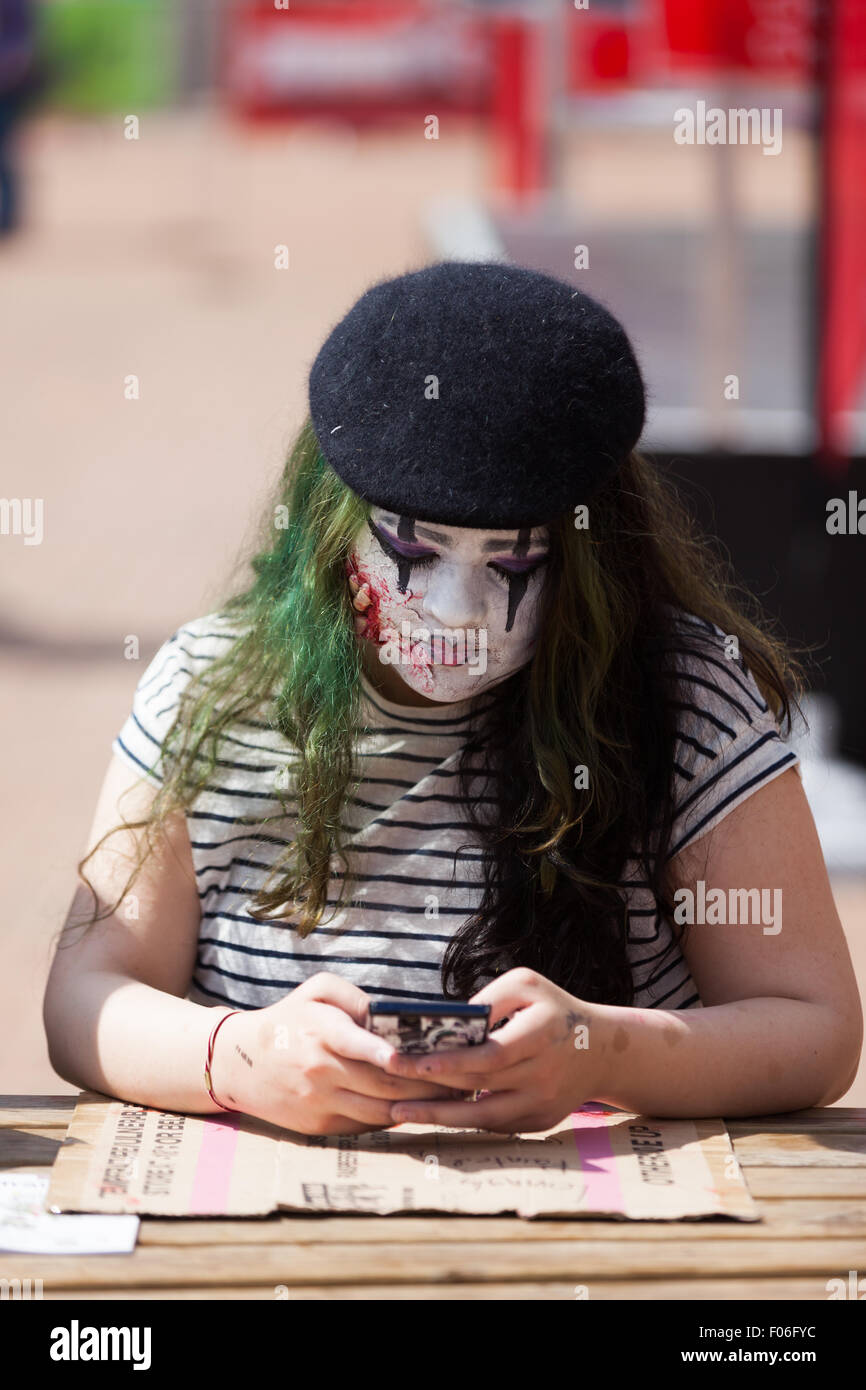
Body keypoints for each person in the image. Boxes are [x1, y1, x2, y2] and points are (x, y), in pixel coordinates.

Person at [43, 261, 863, 1136]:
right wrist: (239, 1060)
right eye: (412, 550)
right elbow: (87, 997)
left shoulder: (686, 704)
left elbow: (815, 1028)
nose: (455, 610)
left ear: (590, 556)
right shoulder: (210, 688)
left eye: (515, 565)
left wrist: (608, 1052)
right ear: (328, 524)